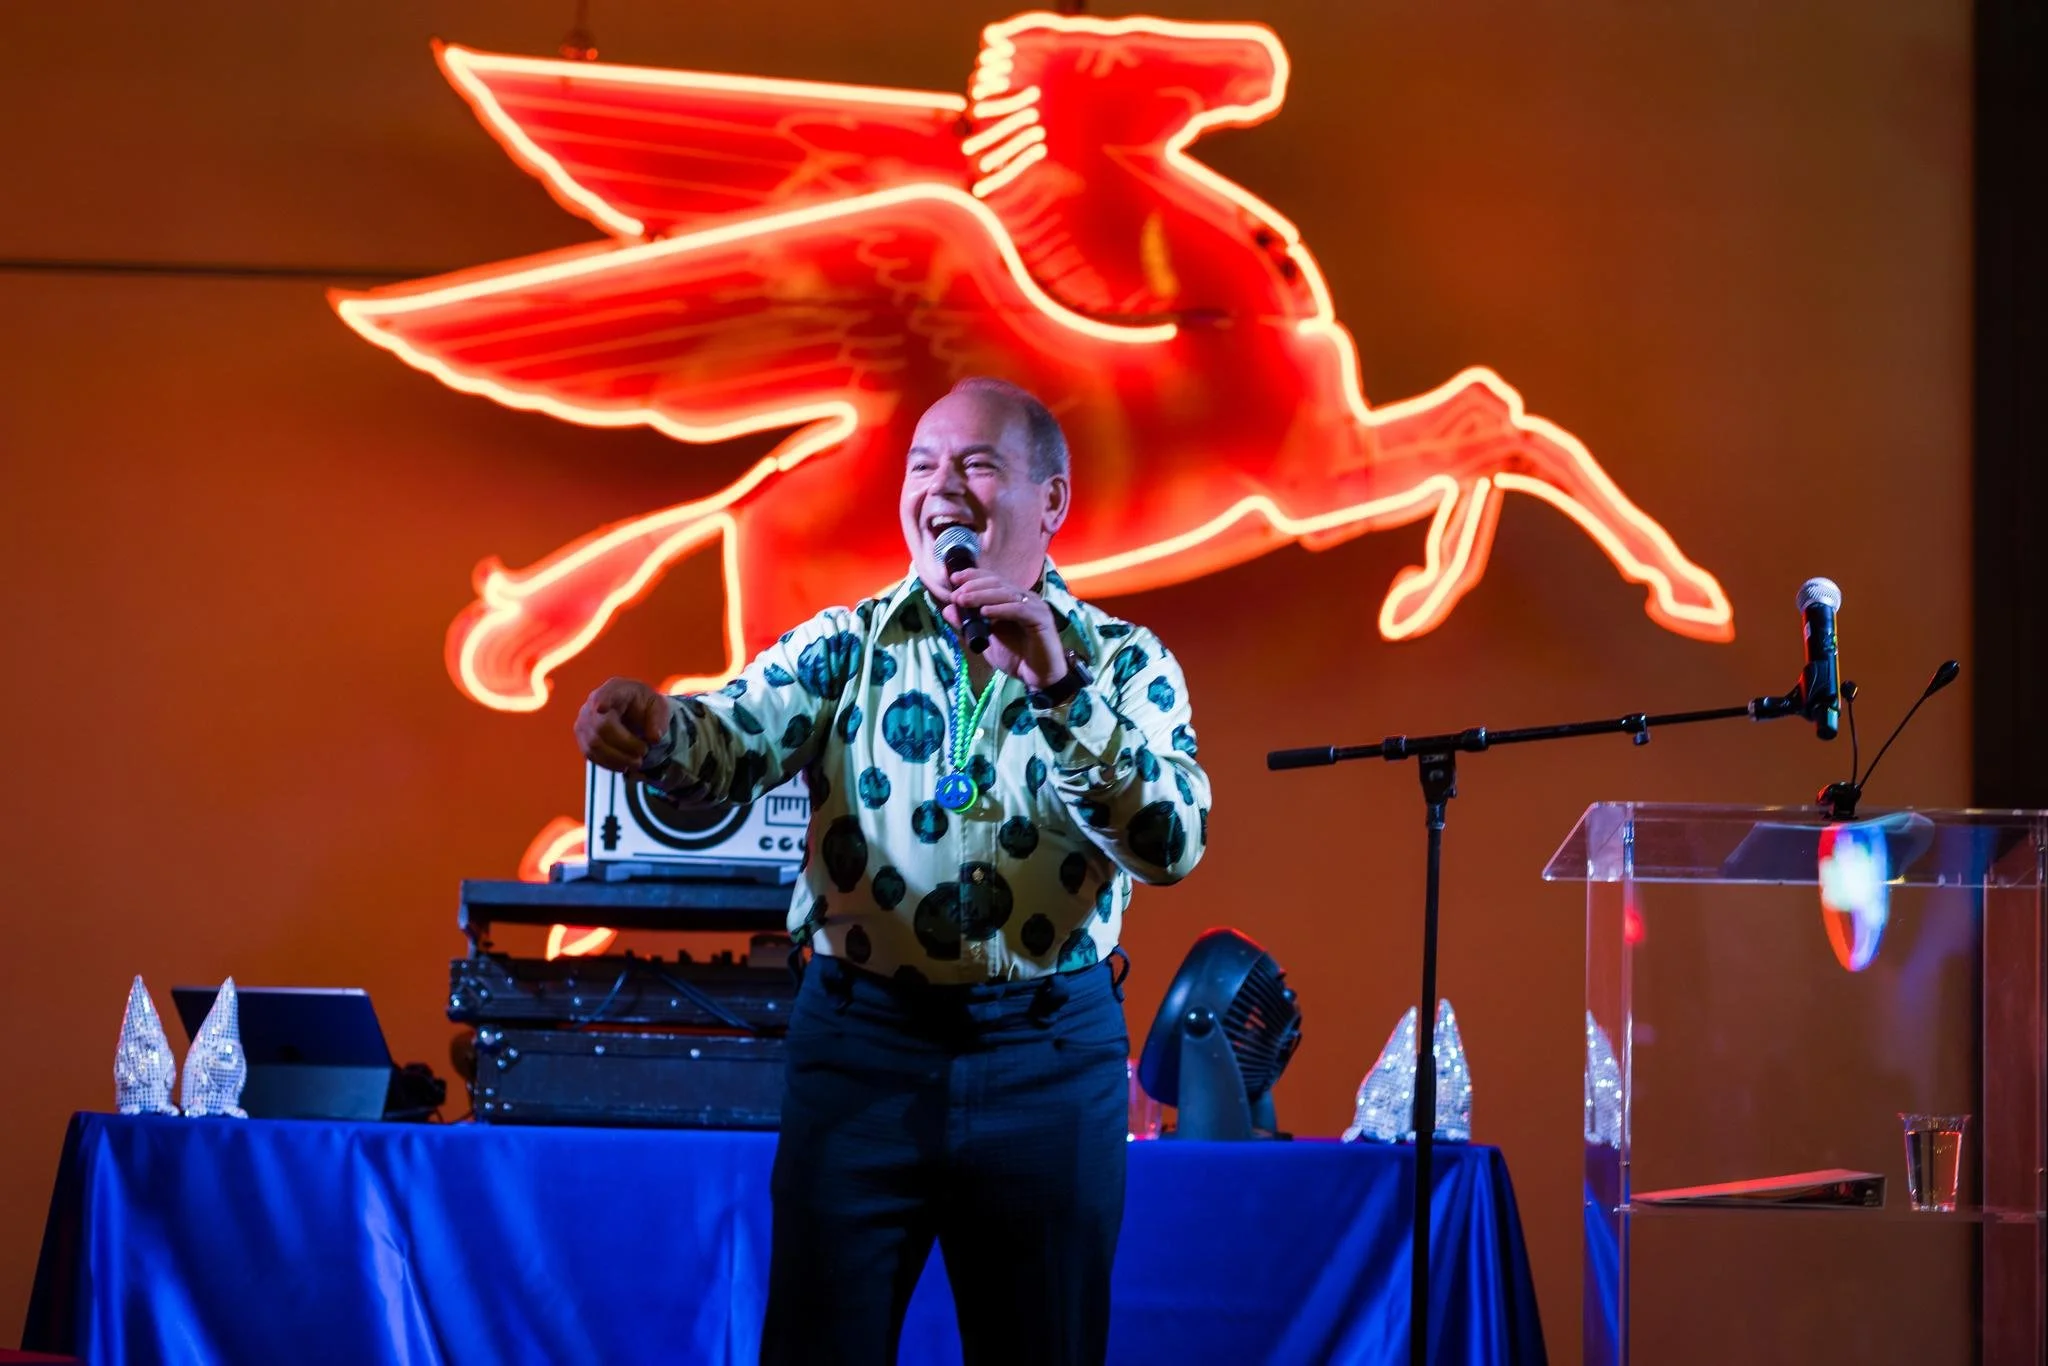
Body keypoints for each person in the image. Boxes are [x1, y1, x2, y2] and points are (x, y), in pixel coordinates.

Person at [575, 376, 1211, 1365]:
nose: (940, 486)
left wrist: (1058, 687)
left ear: (1050, 500)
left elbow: (1169, 844)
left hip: (1046, 1056)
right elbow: (734, 738)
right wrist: (662, 731)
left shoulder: (1124, 664)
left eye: (976, 465)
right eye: (922, 466)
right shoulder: (845, 645)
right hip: (863, 1048)